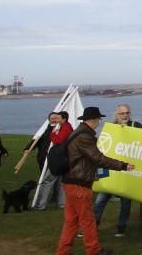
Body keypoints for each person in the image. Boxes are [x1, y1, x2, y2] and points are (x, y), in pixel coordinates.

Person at [55, 106, 135, 255]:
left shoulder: (78, 132)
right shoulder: (84, 136)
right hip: (79, 183)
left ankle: (63, 251)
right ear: (94, 119)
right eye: (98, 119)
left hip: (69, 181)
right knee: (87, 220)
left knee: (71, 220)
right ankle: (93, 250)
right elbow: (98, 158)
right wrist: (123, 165)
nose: (99, 121)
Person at [93, 104, 142, 237]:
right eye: (122, 113)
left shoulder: (136, 125)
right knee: (100, 200)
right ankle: (92, 226)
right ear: (116, 114)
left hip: (127, 170)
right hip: (110, 169)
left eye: (127, 113)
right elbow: (103, 145)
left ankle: (121, 227)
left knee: (125, 202)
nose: (125, 115)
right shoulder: (110, 127)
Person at [34, 110, 73, 210]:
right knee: (61, 181)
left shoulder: (66, 128)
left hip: (59, 159)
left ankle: (40, 205)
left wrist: (53, 134)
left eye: (58, 118)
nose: (56, 120)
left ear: (64, 119)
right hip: (64, 158)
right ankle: (62, 203)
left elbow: (58, 141)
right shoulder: (65, 127)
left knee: (47, 180)